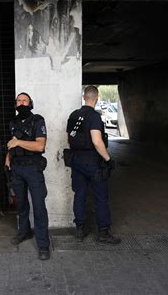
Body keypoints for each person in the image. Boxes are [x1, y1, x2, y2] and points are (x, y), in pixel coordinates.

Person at [66, 85, 121, 245]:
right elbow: (97, 141)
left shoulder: (74, 115)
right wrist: (108, 160)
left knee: (80, 195)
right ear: (96, 98)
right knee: (101, 198)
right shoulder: (94, 117)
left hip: (77, 160)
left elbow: (70, 138)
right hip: (93, 161)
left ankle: (80, 230)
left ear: (84, 97)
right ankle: (103, 233)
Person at [5, 92, 51, 260]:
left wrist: (18, 142)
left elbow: (40, 146)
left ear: (31, 103)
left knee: (38, 206)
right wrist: (7, 159)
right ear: (16, 104)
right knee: (22, 204)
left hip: (33, 168)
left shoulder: (38, 121)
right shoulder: (13, 122)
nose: (22, 103)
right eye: (19, 100)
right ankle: (24, 232)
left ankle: (44, 245)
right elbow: (11, 143)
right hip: (17, 168)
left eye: (25, 100)